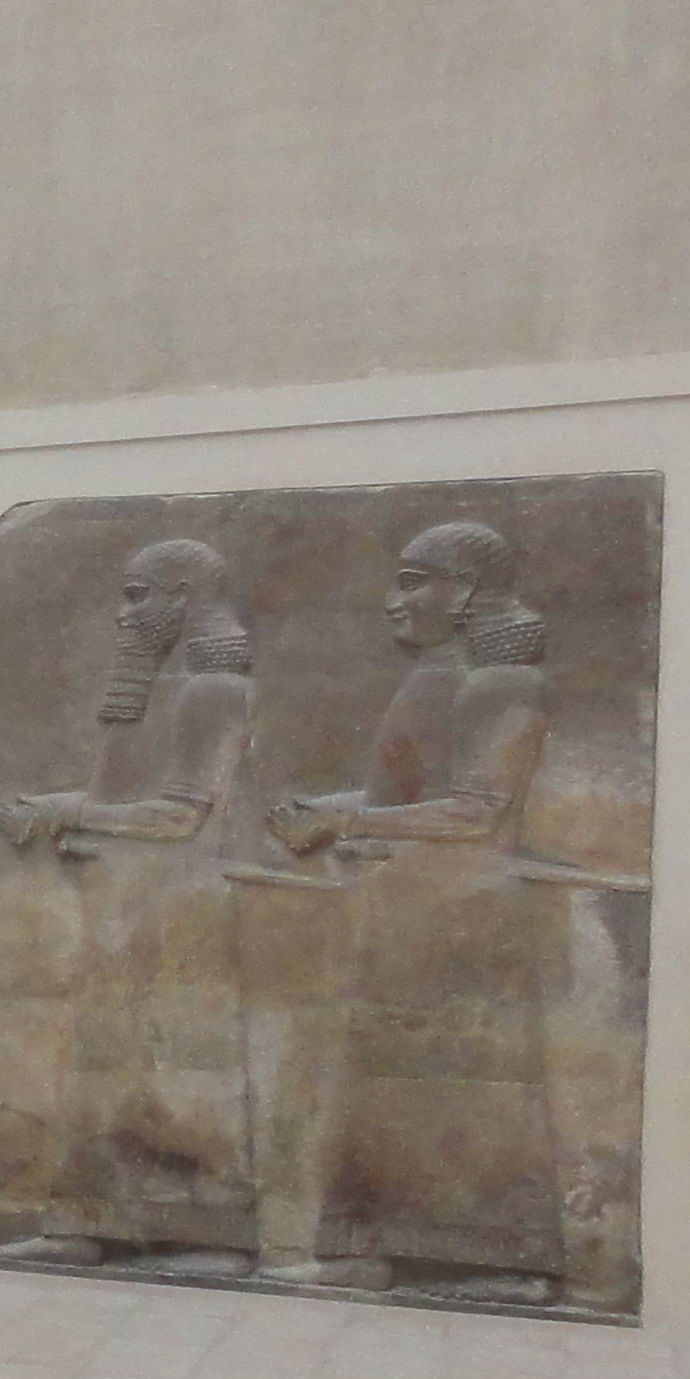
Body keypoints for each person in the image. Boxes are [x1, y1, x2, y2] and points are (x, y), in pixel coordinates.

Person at [258, 521, 562, 1299]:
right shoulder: (437, 677)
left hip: (467, 913)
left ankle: (506, 1264)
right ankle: (380, 1249)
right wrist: (321, 811)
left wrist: (348, 821)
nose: (394, 600)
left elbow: (477, 812)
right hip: (405, 911)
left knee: (472, 1088)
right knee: (386, 1091)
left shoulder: (505, 683)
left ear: (465, 591)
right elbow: (395, 799)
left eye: (414, 580)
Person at [0, 537, 259, 1274]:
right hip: (129, 907)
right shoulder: (176, 689)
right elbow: (128, 798)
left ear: (184, 596)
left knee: (186, 1071)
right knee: (107, 1070)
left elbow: (181, 815)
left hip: (181, 909)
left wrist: (62, 813)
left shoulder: (213, 691)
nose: (124, 614)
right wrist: (53, 807)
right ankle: (88, 1221)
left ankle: (215, 1232)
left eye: (139, 596)